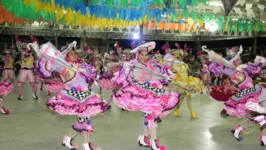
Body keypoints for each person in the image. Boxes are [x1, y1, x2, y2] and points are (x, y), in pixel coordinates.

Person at [34, 41, 109, 150]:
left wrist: (83, 69)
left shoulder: (81, 65)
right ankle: (86, 146)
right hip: (73, 96)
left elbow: (91, 74)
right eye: (71, 54)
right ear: (66, 55)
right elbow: (48, 64)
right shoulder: (61, 66)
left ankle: (68, 138)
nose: (74, 55)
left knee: (84, 121)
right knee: (84, 121)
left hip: (86, 95)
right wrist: (39, 52)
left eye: (75, 54)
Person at [112, 41, 180, 150]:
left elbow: (157, 74)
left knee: (152, 117)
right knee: (151, 118)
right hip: (140, 95)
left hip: (152, 92)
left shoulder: (150, 63)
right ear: (137, 53)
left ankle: (143, 138)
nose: (144, 57)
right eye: (141, 54)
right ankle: (154, 143)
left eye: (146, 54)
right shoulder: (132, 63)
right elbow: (120, 79)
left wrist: (168, 75)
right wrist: (125, 69)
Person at [204, 45, 266, 146]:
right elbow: (221, 66)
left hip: (254, 92)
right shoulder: (232, 71)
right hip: (248, 95)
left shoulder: (243, 69)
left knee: (258, 118)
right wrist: (219, 57)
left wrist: (258, 62)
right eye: (237, 59)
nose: (239, 60)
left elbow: (255, 67)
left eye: (239, 59)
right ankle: (261, 137)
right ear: (233, 61)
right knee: (261, 118)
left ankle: (242, 131)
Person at [166, 49, 204, 119]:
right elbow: (172, 76)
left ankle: (179, 111)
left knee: (184, 98)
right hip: (180, 84)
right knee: (184, 98)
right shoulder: (174, 66)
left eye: (182, 55)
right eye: (180, 55)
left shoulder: (184, 64)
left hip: (186, 83)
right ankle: (189, 112)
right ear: (177, 56)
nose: (182, 57)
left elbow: (188, 73)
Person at [15, 34, 38, 100]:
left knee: (33, 83)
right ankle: (20, 95)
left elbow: (35, 45)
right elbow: (18, 44)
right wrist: (16, 37)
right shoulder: (22, 52)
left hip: (30, 70)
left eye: (27, 45)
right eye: (24, 45)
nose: (26, 46)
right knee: (21, 83)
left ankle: (34, 94)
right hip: (24, 70)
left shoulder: (32, 53)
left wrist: (32, 38)